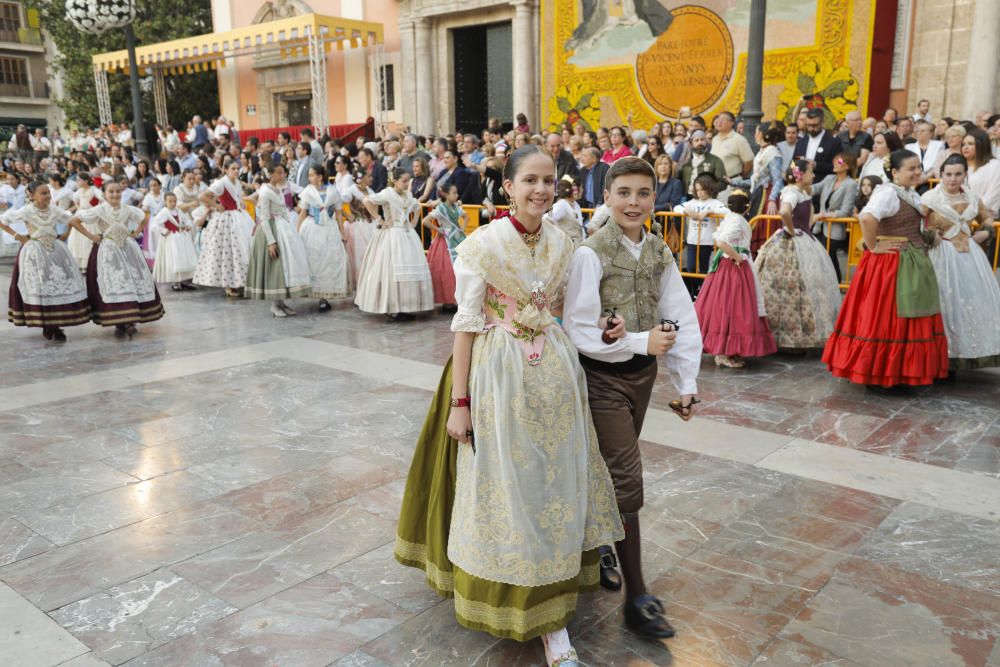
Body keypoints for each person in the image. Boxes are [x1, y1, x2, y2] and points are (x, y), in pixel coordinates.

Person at [395, 145, 623, 666]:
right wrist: (460, 402)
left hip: (556, 376)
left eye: (550, 181)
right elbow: (466, 325)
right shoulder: (482, 244)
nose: (541, 190)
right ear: (508, 187)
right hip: (499, 374)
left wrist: (605, 330)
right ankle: (528, 605)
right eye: (530, 181)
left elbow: (565, 310)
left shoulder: (565, 242)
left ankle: (555, 594)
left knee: (556, 480)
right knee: (510, 483)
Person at [561, 155, 698, 641]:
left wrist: (686, 382)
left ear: (654, 198)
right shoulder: (590, 253)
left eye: (643, 193)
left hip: (642, 379)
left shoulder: (659, 250)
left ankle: (599, 548)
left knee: (605, 473)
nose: (634, 202)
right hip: (601, 379)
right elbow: (577, 326)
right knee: (626, 478)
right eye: (624, 193)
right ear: (607, 197)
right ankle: (638, 597)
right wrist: (639, 340)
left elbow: (680, 312)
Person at [823, 150, 948, 388]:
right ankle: (882, 372)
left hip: (907, 260)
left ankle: (897, 371)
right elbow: (867, 218)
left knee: (903, 314)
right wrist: (873, 246)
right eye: (911, 169)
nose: (917, 172)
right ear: (895, 172)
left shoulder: (907, 193)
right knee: (887, 316)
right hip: (892, 264)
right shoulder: (888, 193)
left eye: (918, 168)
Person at [921, 154, 1000, 370]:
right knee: (944, 300)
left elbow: (986, 218)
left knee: (969, 300)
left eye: (958, 174)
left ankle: (965, 352)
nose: (953, 179)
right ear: (941, 174)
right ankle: (939, 354)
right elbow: (917, 223)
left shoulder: (972, 197)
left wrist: (986, 231)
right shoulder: (929, 198)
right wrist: (930, 236)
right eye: (948, 174)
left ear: (965, 174)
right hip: (940, 255)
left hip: (969, 255)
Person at [754, 160, 842, 351]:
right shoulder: (792, 192)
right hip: (793, 241)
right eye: (811, 172)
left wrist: (817, 217)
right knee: (790, 286)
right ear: (800, 175)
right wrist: (792, 230)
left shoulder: (802, 193)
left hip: (804, 240)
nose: (813, 176)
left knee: (805, 286)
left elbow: (806, 220)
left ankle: (801, 335)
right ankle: (784, 336)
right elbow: (784, 211)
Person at [0, 181, 94, 342]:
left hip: (55, 251)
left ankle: (55, 324)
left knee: (56, 285)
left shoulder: (54, 210)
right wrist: (18, 236)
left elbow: (72, 220)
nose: (47, 196)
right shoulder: (26, 211)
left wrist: (79, 235)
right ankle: (46, 324)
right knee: (40, 287)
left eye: (48, 193)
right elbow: (3, 220)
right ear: (32, 195)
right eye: (43, 193)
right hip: (34, 251)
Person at [694, 189, 776, 368]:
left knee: (727, 307)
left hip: (730, 267)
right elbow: (722, 242)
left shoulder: (731, 217)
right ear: (747, 207)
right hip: (733, 268)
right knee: (732, 307)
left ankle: (728, 350)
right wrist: (737, 257)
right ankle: (723, 352)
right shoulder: (737, 221)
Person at [78, 182, 164, 337]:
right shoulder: (99, 210)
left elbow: (144, 217)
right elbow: (76, 220)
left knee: (130, 280)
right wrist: (92, 236)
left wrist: (136, 232)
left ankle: (130, 319)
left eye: (118, 191)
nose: (115, 194)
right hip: (107, 251)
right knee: (113, 283)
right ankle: (119, 319)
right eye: (111, 192)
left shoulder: (128, 209)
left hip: (127, 249)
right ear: (104, 194)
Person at [354, 168, 434, 316]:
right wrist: (380, 219)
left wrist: (414, 222)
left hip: (407, 234)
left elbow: (416, 206)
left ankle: (408, 305)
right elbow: (367, 200)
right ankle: (392, 306)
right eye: (403, 181)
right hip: (392, 234)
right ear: (395, 181)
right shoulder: (387, 193)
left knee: (409, 267)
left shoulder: (408, 195)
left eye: (407, 181)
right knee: (390, 269)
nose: (406, 184)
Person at [247, 164, 313, 317]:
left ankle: (281, 302)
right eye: (279, 173)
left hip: (282, 227)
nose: (282, 176)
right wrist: (271, 241)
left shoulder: (277, 189)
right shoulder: (265, 191)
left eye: (283, 173)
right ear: (271, 174)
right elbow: (263, 217)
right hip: (270, 230)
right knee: (275, 267)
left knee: (284, 267)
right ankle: (274, 304)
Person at [194, 160, 256, 296]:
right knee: (228, 251)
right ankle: (229, 285)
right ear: (226, 170)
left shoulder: (237, 183)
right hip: (226, 219)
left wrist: (241, 203)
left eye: (237, 168)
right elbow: (202, 196)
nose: (236, 171)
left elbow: (238, 197)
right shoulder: (220, 183)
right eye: (233, 168)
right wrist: (216, 206)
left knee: (241, 249)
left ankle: (241, 281)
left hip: (239, 217)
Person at [296, 165, 351, 311]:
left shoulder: (332, 191)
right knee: (313, 259)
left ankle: (324, 297)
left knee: (328, 261)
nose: (310, 178)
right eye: (309, 175)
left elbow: (339, 213)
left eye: (312, 175)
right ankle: (312, 290)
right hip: (312, 227)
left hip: (329, 228)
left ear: (320, 176)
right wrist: (297, 231)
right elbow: (303, 212)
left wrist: (342, 232)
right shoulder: (308, 191)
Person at [675, 173, 727, 298]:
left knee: (704, 268)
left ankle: (703, 292)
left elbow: (726, 211)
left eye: (703, 190)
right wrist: (686, 211)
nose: (700, 193)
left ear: (709, 189)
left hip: (706, 241)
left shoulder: (714, 203)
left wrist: (710, 211)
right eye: (697, 190)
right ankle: (694, 290)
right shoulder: (692, 202)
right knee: (691, 267)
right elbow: (676, 208)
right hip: (693, 241)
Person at [812, 152, 859, 283]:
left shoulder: (851, 184)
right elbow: (814, 189)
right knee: (822, 257)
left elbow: (845, 211)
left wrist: (824, 216)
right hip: (820, 226)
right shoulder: (829, 178)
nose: (835, 164)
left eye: (839, 162)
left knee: (829, 258)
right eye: (835, 161)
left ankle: (836, 285)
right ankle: (829, 285)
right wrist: (798, 185)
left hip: (835, 229)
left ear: (848, 166)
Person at [739, 123, 785, 254]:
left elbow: (778, 181)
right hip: (759, 194)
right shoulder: (763, 151)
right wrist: (733, 182)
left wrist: (771, 199)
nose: (755, 135)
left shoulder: (773, 153)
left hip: (767, 196)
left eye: (756, 132)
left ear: (762, 134)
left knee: (765, 229)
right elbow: (755, 179)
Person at [423, 183, 468, 309]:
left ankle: (459, 298)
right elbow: (425, 221)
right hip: (446, 242)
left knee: (459, 268)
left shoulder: (455, 207)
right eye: (454, 193)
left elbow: (466, 217)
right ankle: (449, 299)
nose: (457, 195)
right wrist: (439, 230)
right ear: (446, 195)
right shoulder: (441, 209)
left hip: (457, 238)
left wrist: (462, 229)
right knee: (446, 270)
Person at [150, 191, 198, 291]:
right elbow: (154, 225)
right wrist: (163, 230)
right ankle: (175, 282)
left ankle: (183, 280)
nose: (173, 203)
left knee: (183, 258)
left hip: (182, 238)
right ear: (165, 202)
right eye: (170, 201)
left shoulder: (178, 211)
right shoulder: (164, 212)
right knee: (174, 259)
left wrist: (188, 225)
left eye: (174, 201)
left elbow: (186, 219)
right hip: (171, 239)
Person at [344, 169, 378, 285]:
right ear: (361, 178)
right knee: (360, 256)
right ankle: (360, 285)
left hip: (371, 225)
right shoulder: (351, 191)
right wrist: (347, 215)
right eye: (369, 176)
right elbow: (338, 202)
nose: (372, 178)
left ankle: (371, 284)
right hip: (358, 226)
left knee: (373, 256)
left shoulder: (370, 191)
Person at [795, 108, 843, 182]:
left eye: (814, 125)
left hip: (823, 186)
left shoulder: (834, 141)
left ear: (822, 122)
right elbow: (794, 162)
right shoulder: (801, 141)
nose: (811, 128)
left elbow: (840, 164)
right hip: (802, 186)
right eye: (808, 125)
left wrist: (817, 165)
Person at [67, 173, 103, 269]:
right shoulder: (79, 191)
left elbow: (102, 198)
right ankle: (80, 264)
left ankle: (90, 262)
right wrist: (79, 207)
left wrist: (95, 208)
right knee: (77, 239)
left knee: (88, 239)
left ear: (86, 181)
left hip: (90, 216)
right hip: (80, 215)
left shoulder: (94, 189)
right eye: (77, 180)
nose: (77, 182)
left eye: (79, 180)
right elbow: (75, 199)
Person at [963, 128, 1000, 217]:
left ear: (981, 145)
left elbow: (994, 193)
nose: (965, 147)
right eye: (963, 144)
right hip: (961, 216)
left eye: (970, 144)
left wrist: (973, 211)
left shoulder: (995, 165)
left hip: (986, 217)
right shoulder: (960, 166)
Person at [679, 130, 726, 198]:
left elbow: (723, 182)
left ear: (706, 142)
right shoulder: (685, 162)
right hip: (687, 198)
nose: (700, 142)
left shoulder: (715, 160)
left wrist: (708, 189)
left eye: (702, 140)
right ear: (691, 144)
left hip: (708, 199)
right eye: (696, 140)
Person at [711, 111, 753, 179]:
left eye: (722, 120)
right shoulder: (715, 139)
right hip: (716, 181)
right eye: (718, 119)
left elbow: (749, 162)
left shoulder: (739, 139)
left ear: (731, 123)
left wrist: (739, 177)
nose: (719, 122)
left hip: (731, 182)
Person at [904, 120, 943, 193]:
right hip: (912, 179)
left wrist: (926, 177)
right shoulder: (908, 147)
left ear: (930, 133)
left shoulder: (939, 145)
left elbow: (937, 165)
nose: (920, 133)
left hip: (930, 181)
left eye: (923, 131)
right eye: (918, 131)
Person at [546, 177, 585, 246]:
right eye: (581, 187)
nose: (582, 190)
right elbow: (547, 218)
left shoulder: (576, 205)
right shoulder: (561, 205)